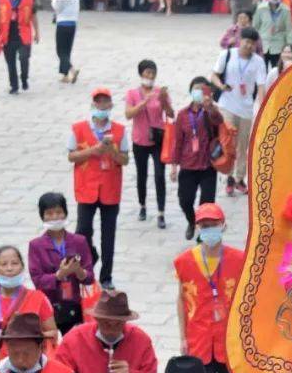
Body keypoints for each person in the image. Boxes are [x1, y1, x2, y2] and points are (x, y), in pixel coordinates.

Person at [172, 202, 243, 373]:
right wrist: (183, 337)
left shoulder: (239, 260)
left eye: (213, 224)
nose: (209, 229)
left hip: (228, 338)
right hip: (199, 337)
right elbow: (181, 299)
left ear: (223, 226)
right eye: (204, 226)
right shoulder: (184, 261)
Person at [68, 87, 130, 291]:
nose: (101, 106)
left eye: (105, 102)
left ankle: (106, 275)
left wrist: (111, 152)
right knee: (83, 230)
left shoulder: (119, 130)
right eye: (98, 102)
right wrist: (93, 150)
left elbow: (125, 159)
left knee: (108, 234)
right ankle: (86, 264)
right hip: (86, 187)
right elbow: (71, 156)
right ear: (92, 105)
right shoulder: (78, 128)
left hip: (110, 188)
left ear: (110, 105)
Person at [27, 192, 95, 337]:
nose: (55, 217)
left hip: (74, 304)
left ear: (65, 213)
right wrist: (59, 275)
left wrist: (78, 271)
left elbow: (90, 277)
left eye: (59, 212)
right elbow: (37, 280)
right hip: (48, 305)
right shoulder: (36, 245)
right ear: (42, 216)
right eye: (49, 213)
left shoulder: (79, 241)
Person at [212, 28, 266, 199]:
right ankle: (228, 177)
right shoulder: (227, 55)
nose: (248, 45)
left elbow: (261, 86)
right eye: (246, 41)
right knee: (229, 143)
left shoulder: (258, 62)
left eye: (252, 43)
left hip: (246, 108)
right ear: (239, 40)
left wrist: (263, 106)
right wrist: (221, 86)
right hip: (227, 105)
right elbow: (214, 75)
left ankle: (239, 178)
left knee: (243, 146)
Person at [169, 75, 223, 240]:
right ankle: (192, 222)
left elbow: (219, 121)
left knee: (206, 204)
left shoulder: (211, 111)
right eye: (196, 89)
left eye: (202, 89)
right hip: (188, 165)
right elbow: (177, 141)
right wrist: (173, 166)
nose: (199, 92)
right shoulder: (183, 115)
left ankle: (203, 235)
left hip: (208, 165)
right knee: (185, 200)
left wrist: (211, 108)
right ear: (191, 91)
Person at [124, 59, 173, 229]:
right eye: (147, 73)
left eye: (152, 73)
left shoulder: (160, 92)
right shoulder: (132, 94)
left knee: (160, 174)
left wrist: (165, 100)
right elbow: (128, 114)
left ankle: (161, 212)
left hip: (158, 139)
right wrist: (144, 102)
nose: (150, 77)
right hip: (140, 140)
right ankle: (142, 205)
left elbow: (171, 113)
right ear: (141, 75)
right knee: (141, 174)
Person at [0, 0, 38, 96]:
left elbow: (34, 16)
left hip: (24, 33)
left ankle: (24, 77)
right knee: (10, 62)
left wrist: (37, 32)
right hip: (7, 34)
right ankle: (14, 85)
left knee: (24, 58)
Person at [253, 0, 292, 65]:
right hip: (263, 45)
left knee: (277, 72)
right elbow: (255, 27)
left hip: (278, 46)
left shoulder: (285, 10)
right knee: (262, 72)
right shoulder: (261, 8)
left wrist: (290, 47)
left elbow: (289, 30)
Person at [51, 0, 79, 85]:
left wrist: (53, 2)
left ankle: (72, 70)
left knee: (60, 52)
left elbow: (57, 7)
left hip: (62, 23)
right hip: (73, 23)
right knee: (67, 51)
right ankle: (65, 75)